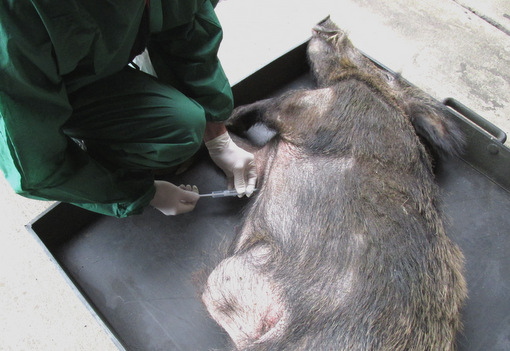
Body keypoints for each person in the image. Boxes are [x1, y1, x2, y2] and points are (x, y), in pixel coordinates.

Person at [0, 0, 257, 218]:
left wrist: (218, 135)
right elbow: (35, 166)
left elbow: (188, 25)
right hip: (49, 91)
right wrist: (141, 193)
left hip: (103, 57)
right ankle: (89, 142)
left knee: (185, 124)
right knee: (179, 132)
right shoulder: (16, 19)